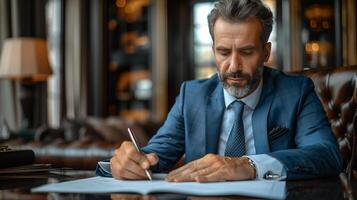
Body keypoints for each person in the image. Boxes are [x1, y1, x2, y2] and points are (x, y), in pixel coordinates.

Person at [98, 0, 342, 182]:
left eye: (247, 52)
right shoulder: (191, 96)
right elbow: (154, 157)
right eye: (223, 52)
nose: (234, 66)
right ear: (213, 50)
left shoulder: (296, 92)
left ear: (266, 53)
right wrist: (127, 163)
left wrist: (247, 165)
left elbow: (326, 155)